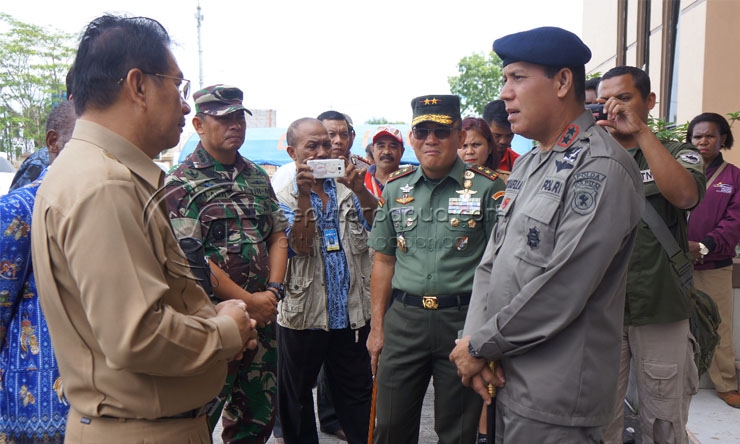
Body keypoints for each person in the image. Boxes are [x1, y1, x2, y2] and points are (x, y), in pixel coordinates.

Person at [30, 15, 257, 443]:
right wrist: (227, 330)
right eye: (178, 86)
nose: (186, 105)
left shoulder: (91, 172)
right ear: (138, 86)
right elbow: (137, 335)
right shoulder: (105, 184)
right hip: (145, 431)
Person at [450, 27, 643, 443]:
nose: (505, 93)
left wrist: (480, 346)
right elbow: (491, 263)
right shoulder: (529, 164)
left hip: (556, 398)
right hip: (505, 377)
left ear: (562, 82)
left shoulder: (600, 168)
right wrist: (474, 344)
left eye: (517, 78)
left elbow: (564, 286)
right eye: (505, 80)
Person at [367, 94, 505, 444]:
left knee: (457, 431)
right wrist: (377, 329)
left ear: (459, 137)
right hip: (404, 323)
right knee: (390, 428)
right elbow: (383, 261)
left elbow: (502, 269)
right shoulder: (395, 189)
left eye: (441, 132)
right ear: (412, 138)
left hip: (462, 322)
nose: (431, 140)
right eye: (422, 131)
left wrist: (487, 336)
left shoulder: (488, 188)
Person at [164, 84, 289, 443]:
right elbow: (192, 259)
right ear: (200, 125)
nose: (235, 124)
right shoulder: (182, 183)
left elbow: (277, 234)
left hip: (263, 321)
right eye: (223, 118)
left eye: (239, 117)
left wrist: (272, 293)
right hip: (211, 319)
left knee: (257, 417)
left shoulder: (256, 177)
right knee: (197, 418)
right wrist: (249, 301)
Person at [599, 66, 704, 443]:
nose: (613, 108)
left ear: (650, 102)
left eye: (623, 98)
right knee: (599, 420)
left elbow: (685, 196)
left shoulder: (676, 152)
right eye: (604, 101)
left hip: (660, 309)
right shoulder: (590, 156)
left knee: (663, 421)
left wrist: (641, 133)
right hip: (601, 313)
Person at [275, 117, 376, 444]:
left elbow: (381, 227)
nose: (323, 151)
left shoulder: (349, 187)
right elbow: (298, 247)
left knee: (358, 393)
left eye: (326, 143)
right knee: (298, 396)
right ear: (293, 152)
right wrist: (305, 196)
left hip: (350, 314)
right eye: (312, 146)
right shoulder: (284, 193)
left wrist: (360, 190)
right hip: (304, 315)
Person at [0, 100, 77, 443]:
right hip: (32, 406)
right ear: (53, 142)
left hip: (94, 402)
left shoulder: (107, 206)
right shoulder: (18, 208)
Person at [686, 112, 740, 408]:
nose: (702, 141)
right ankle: (679, 381)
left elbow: (735, 222)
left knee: (718, 325)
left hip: (713, 265)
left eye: (709, 135)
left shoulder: (734, 178)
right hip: (674, 263)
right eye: (697, 136)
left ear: (722, 140)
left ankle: (726, 384)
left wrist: (705, 246)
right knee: (673, 325)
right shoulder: (680, 171)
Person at [364, 125, 405, 198]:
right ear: (372, 150)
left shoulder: (412, 182)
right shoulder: (361, 181)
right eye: (381, 146)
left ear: (402, 151)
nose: (386, 152)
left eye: (393, 146)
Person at [482, 99, 519, 176]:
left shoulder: (518, 163)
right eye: (497, 135)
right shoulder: (469, 157)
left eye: (509, 135)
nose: (503, 141)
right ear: (484, 129)